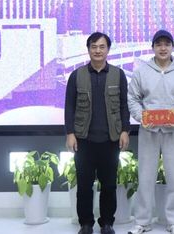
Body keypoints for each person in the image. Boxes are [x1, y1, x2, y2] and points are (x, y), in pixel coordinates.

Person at [127, 30, 174, 234]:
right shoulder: (142, 72)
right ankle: (142, 221)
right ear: (153, 48)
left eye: (167, 44)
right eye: (159, 44)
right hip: (148, 131)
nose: (163, 48)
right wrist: (141, 116)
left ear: (172, 47)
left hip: (172, 131)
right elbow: (133, 98)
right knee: (145, 177)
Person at [64, 32, 130, 234]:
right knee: (84, 185)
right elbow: (69, 106)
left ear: (108, 49)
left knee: (109, 185)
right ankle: (86, 224)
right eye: (94, 47)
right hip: (84, 139)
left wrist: (125, 130)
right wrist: (70, 133)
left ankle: (107, 223)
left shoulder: (118, 74)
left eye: (102, 47)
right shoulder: (77, 75)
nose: (98, 51)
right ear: (88, 49)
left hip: (110, 139)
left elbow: (124, 105)